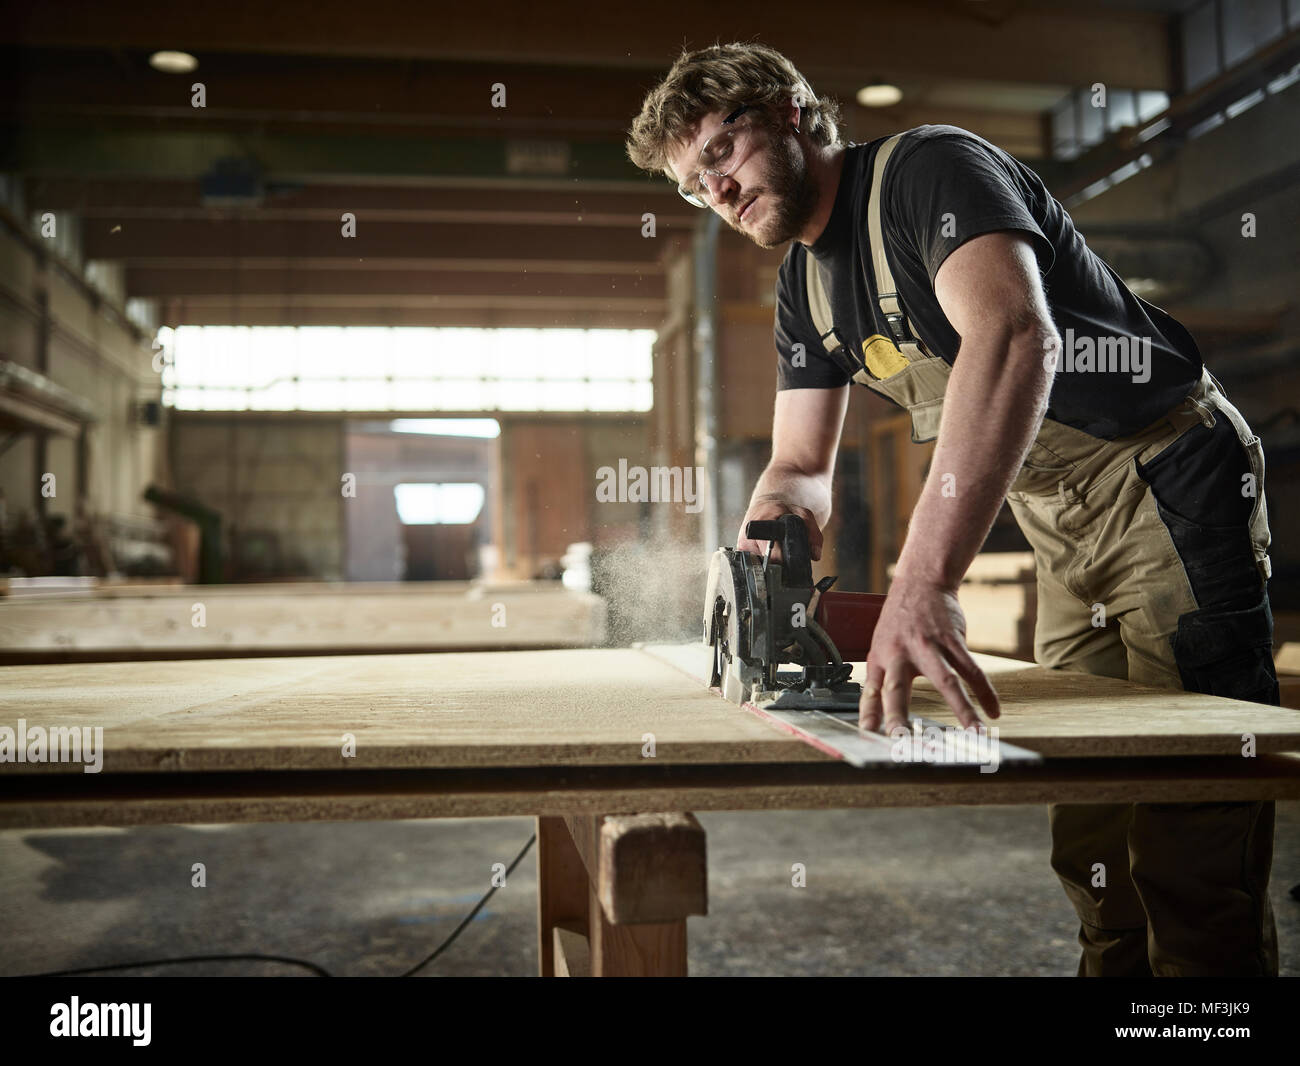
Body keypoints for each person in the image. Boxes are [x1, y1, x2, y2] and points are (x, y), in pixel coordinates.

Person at [626, 42, 1279, 977]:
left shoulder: (930, 171)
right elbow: (802, 462)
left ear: (788, 112)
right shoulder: (804, 289)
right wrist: (767, 543)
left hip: (1164, 475)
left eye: (720, 155)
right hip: (1057, 515)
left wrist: (924, 579)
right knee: (1091, 817)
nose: (717, 194)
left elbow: (1015, 335)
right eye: (694, 187)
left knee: (1191, 825)